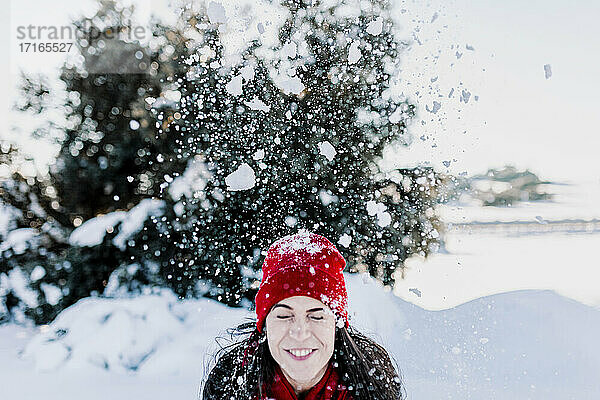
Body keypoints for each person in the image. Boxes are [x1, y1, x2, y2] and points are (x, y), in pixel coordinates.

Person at [201, 231, 405, 399]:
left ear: (337, 324)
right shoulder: (228, 388)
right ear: (264, 325)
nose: (299, 333)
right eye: (283, 316)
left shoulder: (373, 390)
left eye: (316, 316)